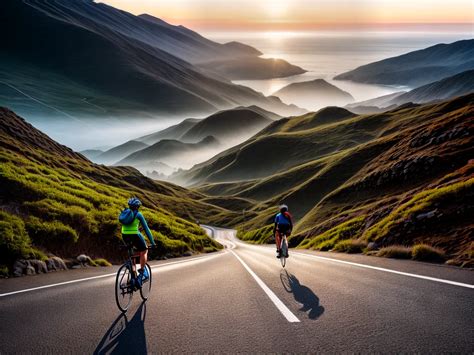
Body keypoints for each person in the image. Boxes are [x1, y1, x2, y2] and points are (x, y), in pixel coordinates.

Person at [121, 197, 156, 283]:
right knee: (144, 250)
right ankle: (142, 272)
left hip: (124, 235)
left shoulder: (125, 213)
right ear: (137, 207)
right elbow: (146, 229)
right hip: (135, 234)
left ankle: (132, 275)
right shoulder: (138, 214)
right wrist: (153, 242)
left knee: (131, 254)